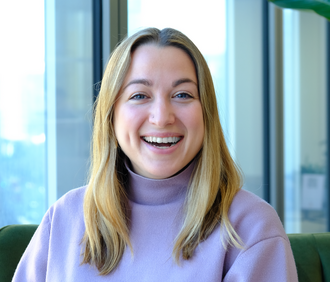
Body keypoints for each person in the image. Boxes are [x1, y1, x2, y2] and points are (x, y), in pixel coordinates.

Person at [13, 28, 298, 281]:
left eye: (183, 95)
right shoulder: (65, 217)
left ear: (207, 113)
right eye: (139, 96)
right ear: (111, 115)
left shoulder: (250, 227)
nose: (162, 117)